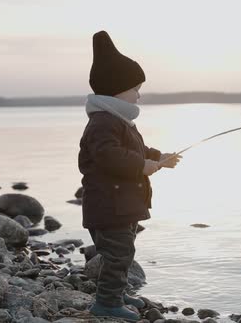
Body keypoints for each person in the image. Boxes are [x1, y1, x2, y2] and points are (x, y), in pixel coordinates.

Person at [78, 30, 181, 321]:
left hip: (121, 205)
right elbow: (110, 156)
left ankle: (116, 293)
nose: (139, 94)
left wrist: (157, 157)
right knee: (118, 254)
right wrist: (140, 166)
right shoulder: (102, 122)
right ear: (116, 89)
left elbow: (134, 149)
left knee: (124, 251)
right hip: (109, 207)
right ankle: (107, 303)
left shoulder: (117, 120)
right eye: (135, 88)